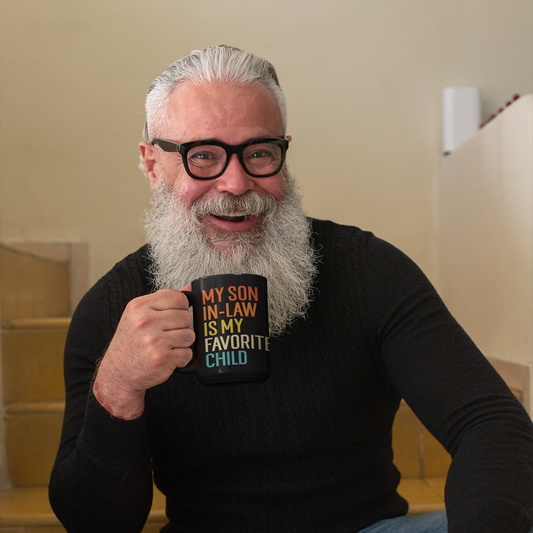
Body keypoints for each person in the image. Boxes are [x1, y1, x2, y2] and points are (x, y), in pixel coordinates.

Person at [49, 45, 533, 533]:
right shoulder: (113, 309)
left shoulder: (368, 270)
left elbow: (490, 423)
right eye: (203, 156)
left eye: (259, 153)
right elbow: (94, 523)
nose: (235, 183)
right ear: (153, 165)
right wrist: (118, 386)